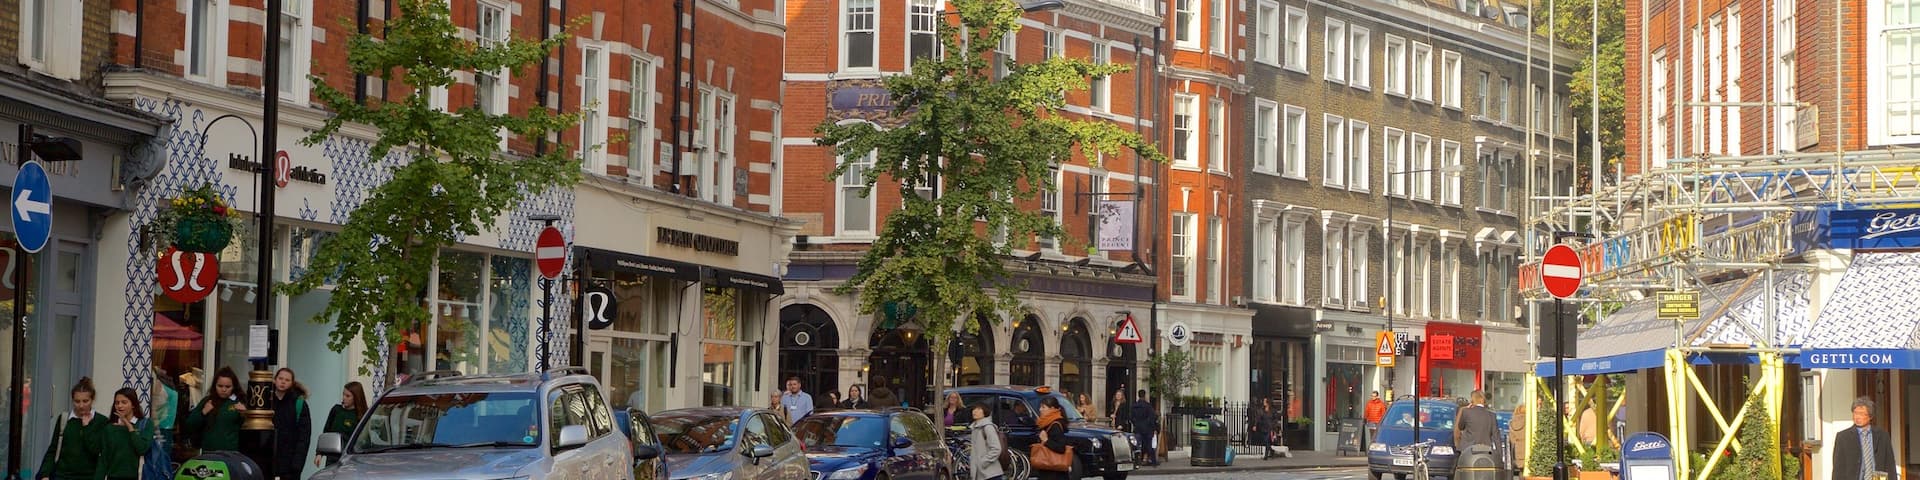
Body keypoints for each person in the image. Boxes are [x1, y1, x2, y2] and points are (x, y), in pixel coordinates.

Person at [37, 377, 107, 480]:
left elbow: (96, 450)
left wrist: (86, 427)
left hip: (88, 476)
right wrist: (45, 474)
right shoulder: (64, 419)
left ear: (92, 400)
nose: (81, 405)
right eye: (77, 401)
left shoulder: (101, 421)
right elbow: (53, 449)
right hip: (62, 475)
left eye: (85, 401)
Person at [1834, 397, 1900, 480]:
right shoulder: (1843, 437)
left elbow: (1890, 464)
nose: (1857, 417)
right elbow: (1838, 469)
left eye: (1861, 414)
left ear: (1870, 416)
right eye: (1855, 413)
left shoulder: (1882, 436)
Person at [95, 387, 153, 480]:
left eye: (124, 402)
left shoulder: (145, 424)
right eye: (117, 403)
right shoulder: (109, 428)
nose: (120, 406)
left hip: (137, 477)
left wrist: (129, 427)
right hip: (112, 477)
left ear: (133, 404)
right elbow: (103, 459)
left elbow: (142, 449)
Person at [184, 367, 246, 452]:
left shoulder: (240, 402)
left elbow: (249, 432)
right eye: (220, 386)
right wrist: (203, 412)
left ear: (234, 386)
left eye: (228, 386)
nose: (224, 389)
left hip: (231, 453)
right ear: (215, 385)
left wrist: (245, 414)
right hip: (209, 452)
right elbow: (189, 425)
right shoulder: (208, 401)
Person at [269, 368, 313, 480]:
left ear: (292, 383)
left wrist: (297, 464)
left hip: (290, 463)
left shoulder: (298, 403)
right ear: (275, 380)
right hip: (269, 459)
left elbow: (304, 436)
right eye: (280, 378)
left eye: (287, 380)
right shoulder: (267, 401)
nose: (283, 382)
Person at [318, 382, 369, 467]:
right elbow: (326, 432)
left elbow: (365, 440)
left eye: (348, 396)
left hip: (351, 459)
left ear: (356, 398)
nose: (344, 398)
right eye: (343, 394)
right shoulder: (336, 410)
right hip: (332, 457)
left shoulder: (362, 415)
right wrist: (319, 453)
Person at [1453, 389, 1499, 478]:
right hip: (1485, 449)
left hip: (1468, 450)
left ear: (1472, 400)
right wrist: (1499, 456)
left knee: (1464, 474)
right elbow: (1496, 437)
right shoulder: (1491, 415)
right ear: (1483, 400)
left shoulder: (1466, 412)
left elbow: (1461, 426)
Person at [1034, 396, 1073, 480]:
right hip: (1049, 469)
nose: (1040, 409)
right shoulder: (1046, 423)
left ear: (1052, 409)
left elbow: (1061, 447)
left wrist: (1046, 440)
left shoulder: (1055, 425)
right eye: (1040, 407)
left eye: (1043, 407)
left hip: (1054, 472)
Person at [968, 401, 1006, 480]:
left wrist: (983, 462)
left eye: (978, 409)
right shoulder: (975, 427)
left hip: (991, 473)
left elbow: (996, 448)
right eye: (974, 409)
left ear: (985, 412)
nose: (975, 411)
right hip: (981, 473)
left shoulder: (987, 427)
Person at [1130, 389, 1159, 467]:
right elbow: (1152, 417)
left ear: (1138, 395)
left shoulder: (1134, 406)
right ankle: (1154, 462)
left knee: (1137, 446)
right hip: (1147, 429)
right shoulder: (1148, 406)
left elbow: (1131, 418)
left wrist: (1136, 424)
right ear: (1145, 395)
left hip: (1138, 428)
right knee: (1149, 445)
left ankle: (1137, 462)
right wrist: (1151, 427)